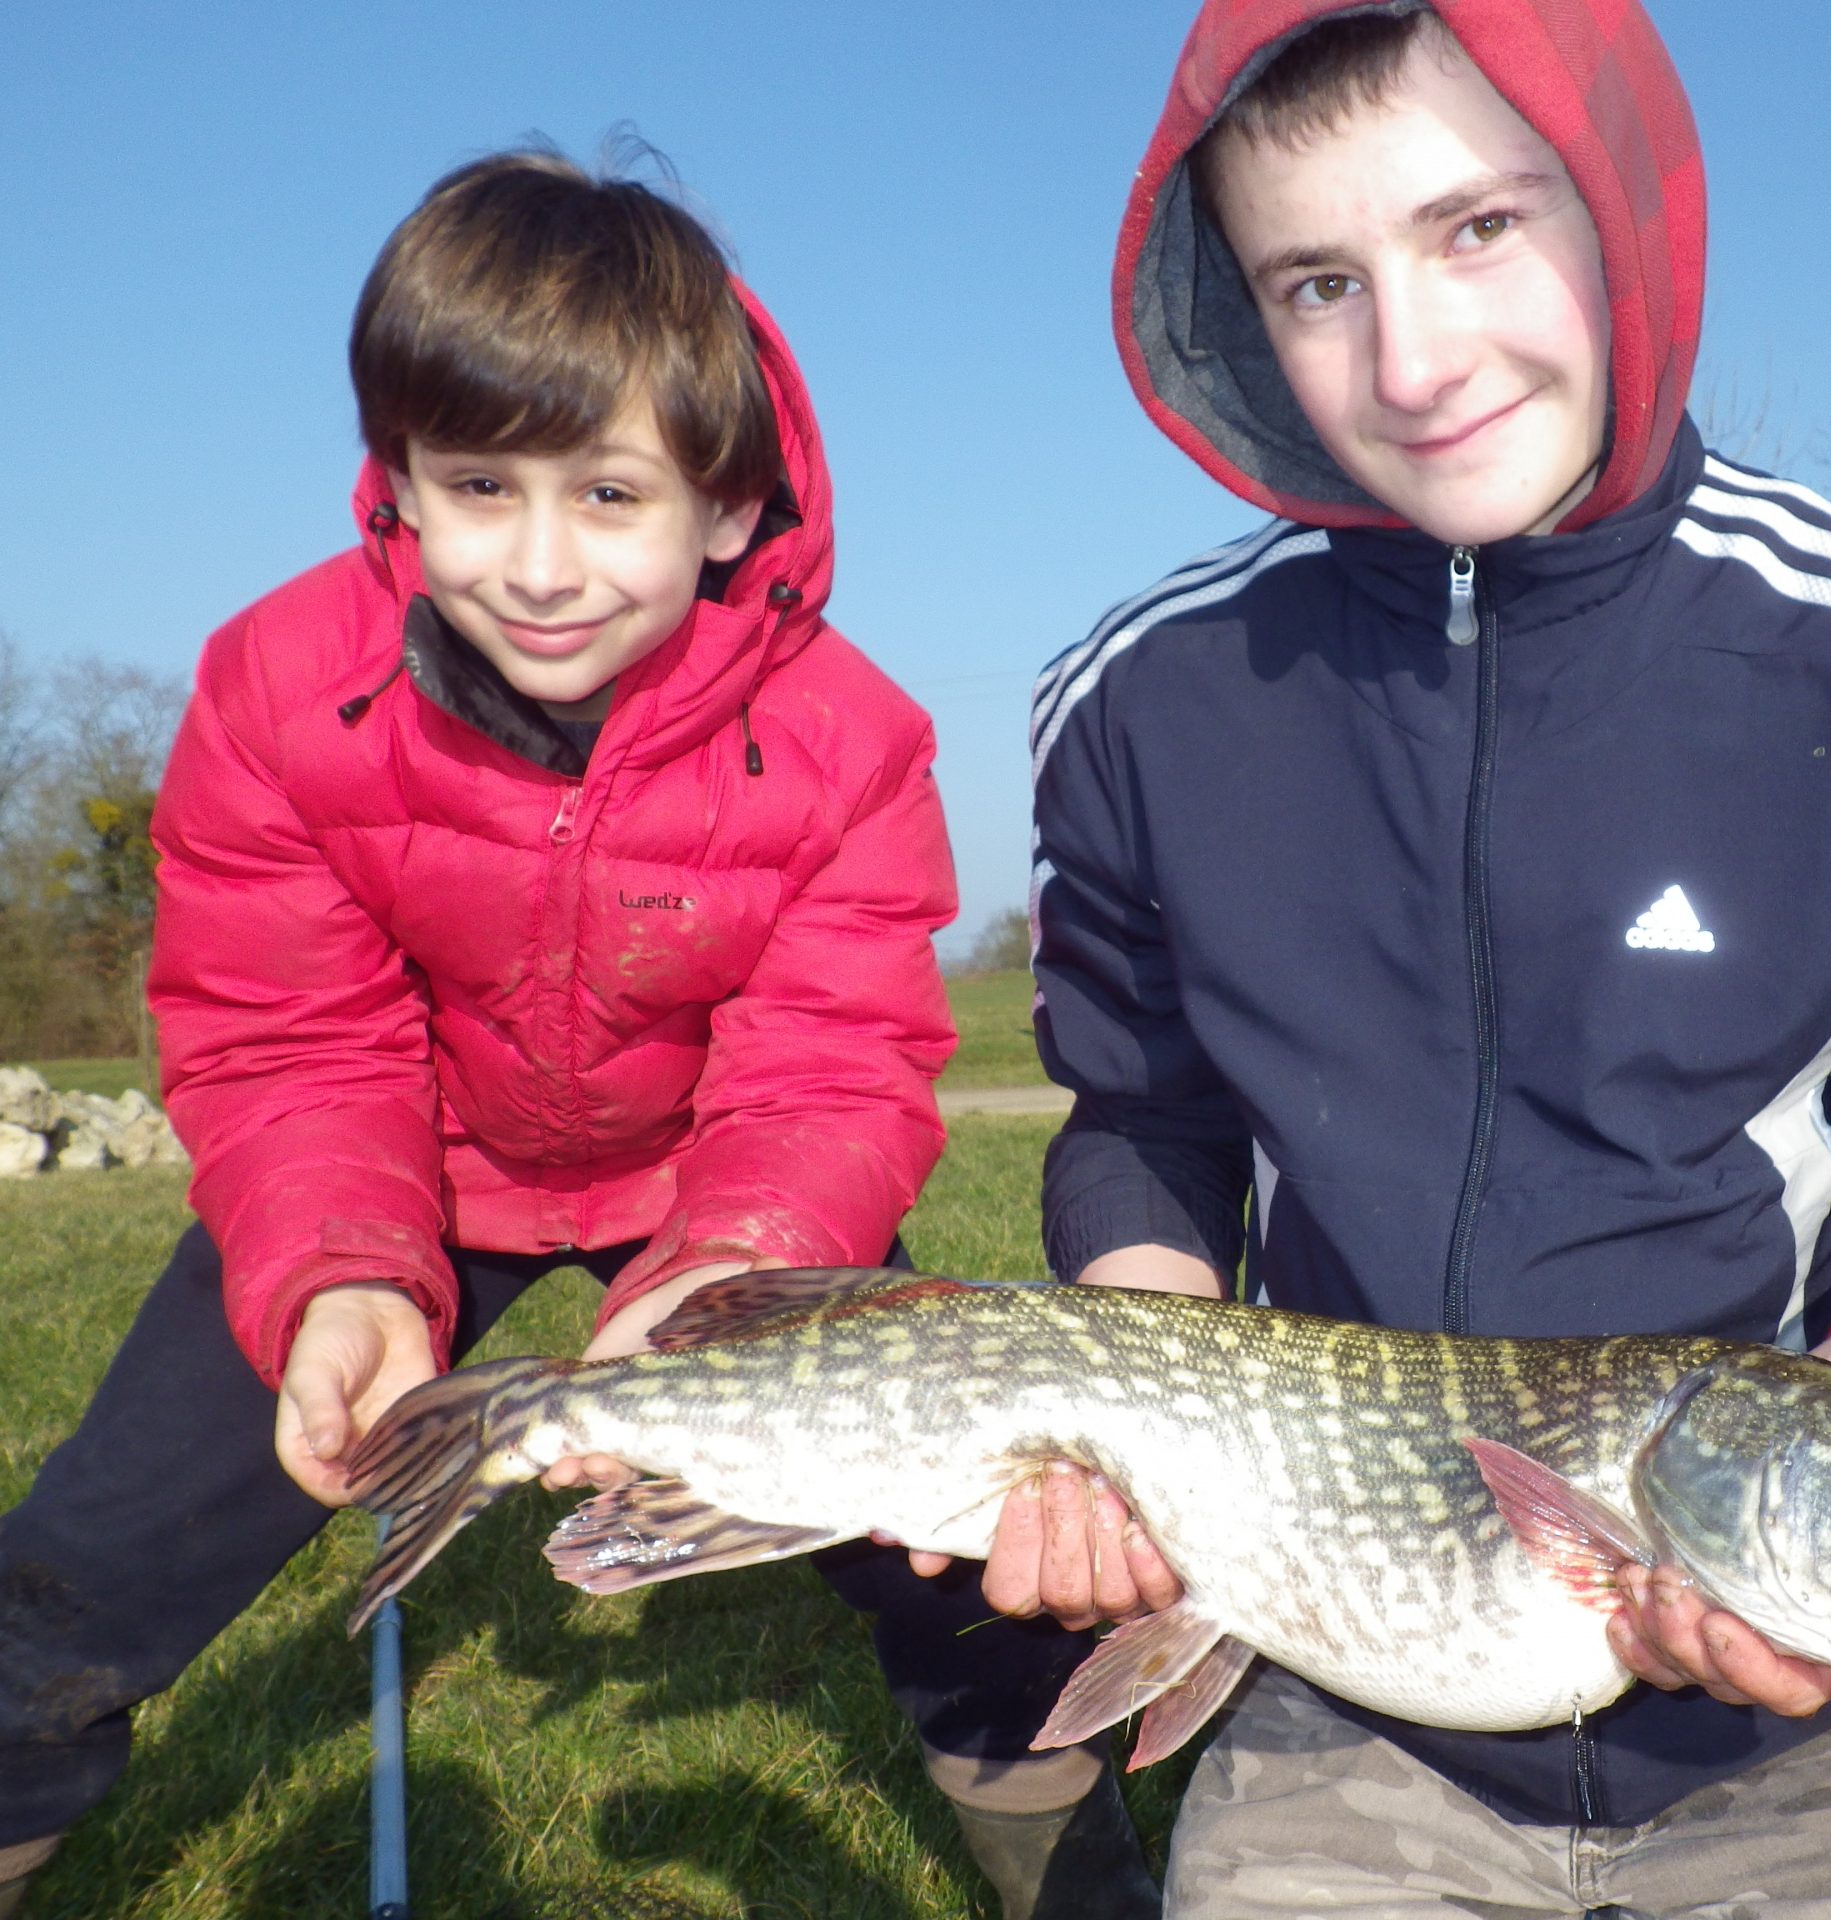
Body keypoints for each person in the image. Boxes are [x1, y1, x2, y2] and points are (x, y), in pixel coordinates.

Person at [978, 4, 1831, 1913]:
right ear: (1240, 319)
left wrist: (1799, 1522)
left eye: (1478, 228)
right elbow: (1146, 1119)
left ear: (1626, 213)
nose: (1415, 356)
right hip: (1342, 1683)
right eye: (1315, 280)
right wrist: (1147, 1429)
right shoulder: (1147, 708)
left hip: (1813, 1722)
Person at [0, 153, 1152, 1920]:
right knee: (87, 1569)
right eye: (478, 487)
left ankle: (1066, 1865)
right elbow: (290, 1034)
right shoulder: (275, 687)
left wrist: (738, 1276)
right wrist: (340, 1277)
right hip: (406, 1174)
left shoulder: (854, 742)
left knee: (969, 1572)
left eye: (609, 494)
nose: (538, 566)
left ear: (731, 505)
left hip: (716, 1184)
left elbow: (829, 1063)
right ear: (399, 481)